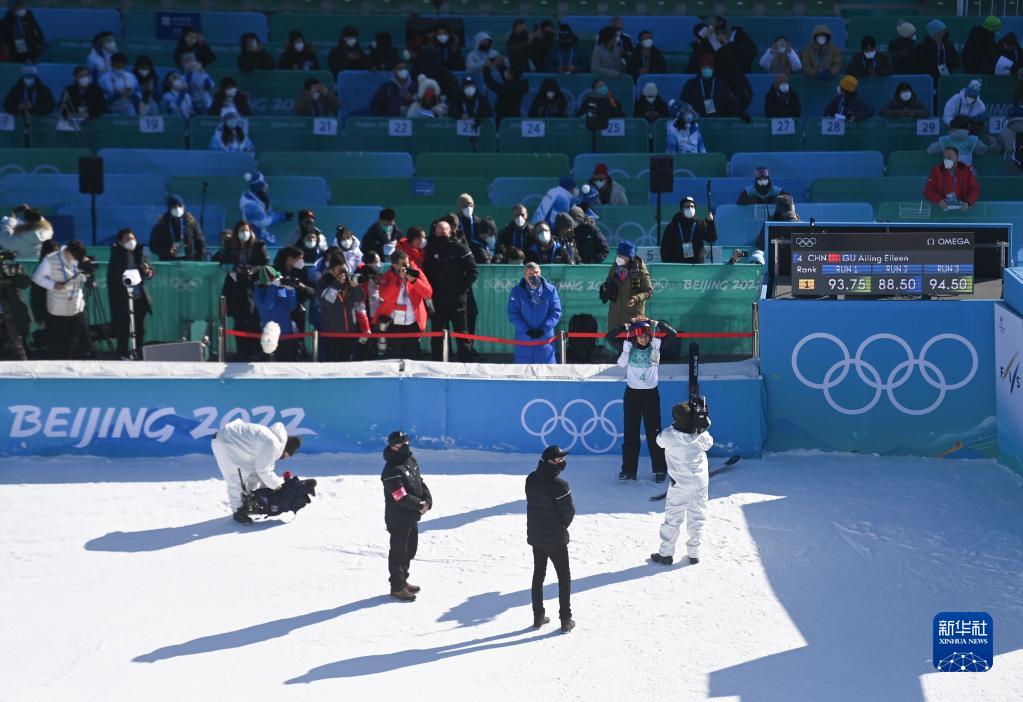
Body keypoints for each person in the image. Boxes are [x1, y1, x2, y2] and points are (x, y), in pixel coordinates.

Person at [611, 316, 675, 482]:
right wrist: (626, 325)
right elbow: (608, 337)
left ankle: (660, 469)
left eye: (646, 334)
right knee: (630, 433)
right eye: (639, 334)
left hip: (650, 395)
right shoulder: (628, 348)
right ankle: (628, 470)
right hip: (632, 395)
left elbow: (672, 334)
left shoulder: (656, 347)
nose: (643, 337)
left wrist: (655, 322)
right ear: (634, 335)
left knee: (654, 432)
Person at [650, 401, 714, 566]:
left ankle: (666, 554)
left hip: (680, 485)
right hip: (700, 483)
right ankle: (694, 553)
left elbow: (659, 441)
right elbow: (709, 443)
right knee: (697, 516)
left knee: (672, 519)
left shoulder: (670, 436)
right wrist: (700, 423)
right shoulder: (701, 436)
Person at [211, 419, 303, 524]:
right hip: (227, 442)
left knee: (251, 474)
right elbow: (263, 470)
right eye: (287, 456)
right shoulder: (272, 443)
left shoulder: (272, 439)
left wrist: (267, 490)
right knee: (236, 477)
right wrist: (277, 486)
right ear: (286, 450)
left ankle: (247, 505)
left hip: (230, 439)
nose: (285, 458)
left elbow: (262, 470)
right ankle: (238, 512)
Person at [525, 444, 575, 633]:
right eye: (559, 459)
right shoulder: (560, 485)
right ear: (549, 461)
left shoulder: (530, 480)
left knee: (538, 576)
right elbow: (568, 513)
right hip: (555, 539)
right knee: (564, 578)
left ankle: (538, 617)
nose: (562, 461)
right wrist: (560, 528)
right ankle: (565, 620)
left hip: (537, 537)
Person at [381, 431, 432, 601]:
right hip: (398, 518)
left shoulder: (410, 461)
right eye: (400, 443)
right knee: (399, 553)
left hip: (411, 516)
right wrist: (419, 506)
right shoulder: (391, 469)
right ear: (392, 446)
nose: (404, 445)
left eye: (406, 441)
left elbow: (420, 482)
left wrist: (428, 500)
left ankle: (403, 581)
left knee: (409, 551)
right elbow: (400, 495)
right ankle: (396, 586)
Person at [423, 219, 477, 362]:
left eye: (444, 231)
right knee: (437, 334)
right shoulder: (430, 249)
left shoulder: (461, 248)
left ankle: (466, 364)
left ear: (450, 231)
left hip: (457, 300)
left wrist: (461, 291)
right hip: (437, 300)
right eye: (438, 231)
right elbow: (425, 273)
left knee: (461, 333)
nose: (441, 234)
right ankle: (438, 364)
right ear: (434, 232)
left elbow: (473, 272)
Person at [215, 221, 269, 361]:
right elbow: (222, 265)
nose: (243, 233)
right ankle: (242, 351)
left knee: (253, 320)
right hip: (235, 288)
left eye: (246, 230)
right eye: (241, 230)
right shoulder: (230, 246)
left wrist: (253, 270)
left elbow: (266, 264)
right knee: (239, 321)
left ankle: (256, 351)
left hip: (254, 287)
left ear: (251, 231)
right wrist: (234, 268)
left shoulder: (259, 246)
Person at [31, 240, 91, 360]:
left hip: (77, 307)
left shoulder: (79, 260)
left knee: (81, 344)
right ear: (67, 251)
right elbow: (37, 277)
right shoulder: (50, 259)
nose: (73, 260)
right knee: (60, 346)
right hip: (57, 311)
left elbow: (82, 278)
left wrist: (87, 272)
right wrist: (53, 284)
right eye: (72, 257)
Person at [374, 250, 432, 360]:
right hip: (395, 324)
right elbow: (383, 295)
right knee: (394, 357)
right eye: (403, 265)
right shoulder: (388, 276)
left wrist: (414, 281)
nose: (407, 267)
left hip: (413, 323)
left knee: (412, 357)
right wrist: (399, 280)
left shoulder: (416, 271)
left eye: (408, 263)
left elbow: (428, 293)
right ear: (395, 265)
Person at [106, 228, 154, 359]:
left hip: (139, 298)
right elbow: (114, 276)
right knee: (124, 328)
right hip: (124, 299)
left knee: (140, 329)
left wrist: (149, 272)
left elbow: (149, 269)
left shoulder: (139, 253)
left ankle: (139, 352)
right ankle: (122, 353)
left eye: (132, 238)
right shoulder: (116, 255)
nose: (131, 241)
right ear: (120, 242)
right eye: (127, 239)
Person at [316, 251, 369, 362]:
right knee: (333, 361)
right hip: (332, 331)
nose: (342, 272)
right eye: (339, 270)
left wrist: (355, 286)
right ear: (332, 268)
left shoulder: (348, 281)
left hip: (349, 330)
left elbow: (359, 299)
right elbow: (325, 301)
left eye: (343, 269)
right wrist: (336, 284)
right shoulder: (323, 282)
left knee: (348, 361)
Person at [600, 241, 653, 348]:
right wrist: (605, 289)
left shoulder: (638, 269)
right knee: (619, 350)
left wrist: (636, 298)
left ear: (629, 257)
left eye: (621, 256)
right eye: (618, 255)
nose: (618, 258)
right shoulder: (615, 268)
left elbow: (648, 291)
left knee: (633, 349)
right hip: (615, 317)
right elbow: (608, 283)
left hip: (633, 317)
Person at [507, 262, 562, 364]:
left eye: (536, 273)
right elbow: (513, 313)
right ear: (525, 275)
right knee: (523, 375)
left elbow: (556, 312)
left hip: (545, 341)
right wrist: (526, 330)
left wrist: (544, 329)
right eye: (530, 274)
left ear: (540, 273)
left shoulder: (550, 290)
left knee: (547, 375)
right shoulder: (517, 291)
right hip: (524, 341)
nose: (534, 276)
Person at [253, 264, 301, 361]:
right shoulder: (258, 292)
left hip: (287, 333)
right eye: (272, 278)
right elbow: (266, 306)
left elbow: (291, 307)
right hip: (271, 337)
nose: (276, 280)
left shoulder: (280, 289)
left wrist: (290, 290)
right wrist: (273, 287)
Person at [682, 54, 743, 118]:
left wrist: (740, 113)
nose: (707, 70)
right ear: (700, 68)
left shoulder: (721, 84)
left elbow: (732, 105)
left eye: (710, 67)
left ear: (713, 68)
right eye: (705, 67)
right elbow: (683, 104)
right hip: (697, 121)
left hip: (717, 122)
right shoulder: (690, 85)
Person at [240, 171, 293, 245]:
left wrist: (282, 217)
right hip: (256, 240)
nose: (267, 185)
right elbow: (263, 222)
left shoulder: (261, 198)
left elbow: (269, 215)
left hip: (266, 237)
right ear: (259, 186)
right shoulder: (251, 206)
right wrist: (281, 217)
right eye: (264, 183)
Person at [150, 195, 205, 261]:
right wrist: (167, 251)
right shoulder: (162, 224)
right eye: (175, 207)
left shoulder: (191, 222)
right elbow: (153, 246)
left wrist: (199, 261)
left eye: (180, 206)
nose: (178, 209)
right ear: (169, 208)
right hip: (169, 262)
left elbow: (200, 242)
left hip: (189, 262)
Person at [661, 196, 717, 263]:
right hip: (677, 266)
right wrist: (670, 266)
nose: (690, 208)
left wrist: (710, 223)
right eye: (686, 206)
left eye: (692, 206)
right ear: (681, 210)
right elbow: (665, 249)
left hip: (695, 266)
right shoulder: (672, 226)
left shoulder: (700, 224)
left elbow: (712, 237)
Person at [913, 19, 961, 86]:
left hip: (946, 80)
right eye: (942, 30)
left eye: (944, 29)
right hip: (929, 80)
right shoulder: (922, 47)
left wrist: (947, 63)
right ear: (936, 33)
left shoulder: (948, 44)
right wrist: (933, 67)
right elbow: (916, 65)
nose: (944, 31)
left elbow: (957, 61)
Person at [482, 58, 528, 124]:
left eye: (508, 71)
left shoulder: (506, 89)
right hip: (515, 118)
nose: (506, 72)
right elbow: (508, 79)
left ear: (512, 75)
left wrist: (486, 68)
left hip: (502, 120)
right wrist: (500, 65)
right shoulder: (519, 85)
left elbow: (490, 82)